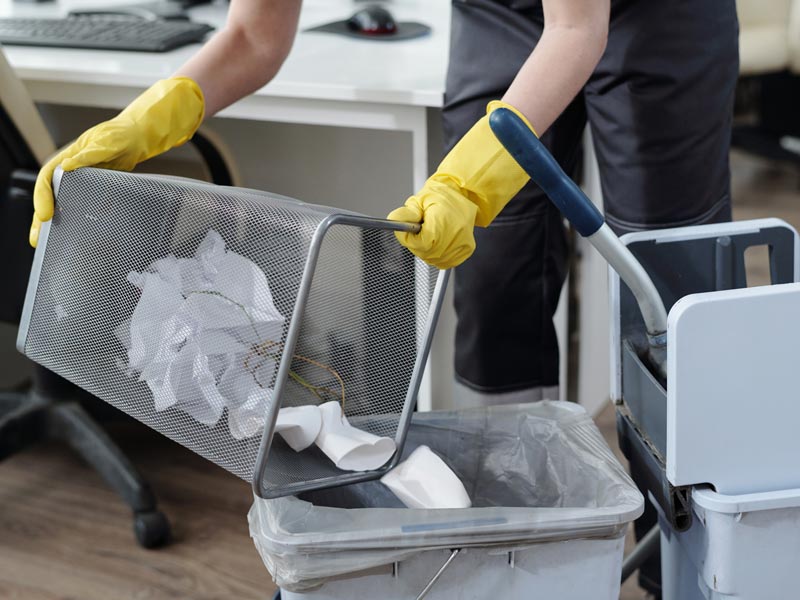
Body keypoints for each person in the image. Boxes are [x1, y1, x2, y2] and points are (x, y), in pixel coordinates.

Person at [30, 0, 739, 595]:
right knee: (491, 285)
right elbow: (253, 33)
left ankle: (691, 566)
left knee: (665, 298)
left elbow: (577, 30)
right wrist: (146, 121)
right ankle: (516, 554)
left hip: (655, 16)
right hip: (504, 15)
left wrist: (467, 183)